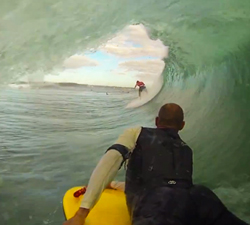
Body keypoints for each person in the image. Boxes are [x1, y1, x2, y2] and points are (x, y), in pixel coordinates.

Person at [63, 103, 249, 225]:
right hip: (199, 197)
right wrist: (115, 185)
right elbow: (168, 186)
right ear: (182, 125)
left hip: (157, 205)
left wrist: (82, 213)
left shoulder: (137, 133)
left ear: (156, 121)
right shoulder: (186, 149)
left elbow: (112, 159)